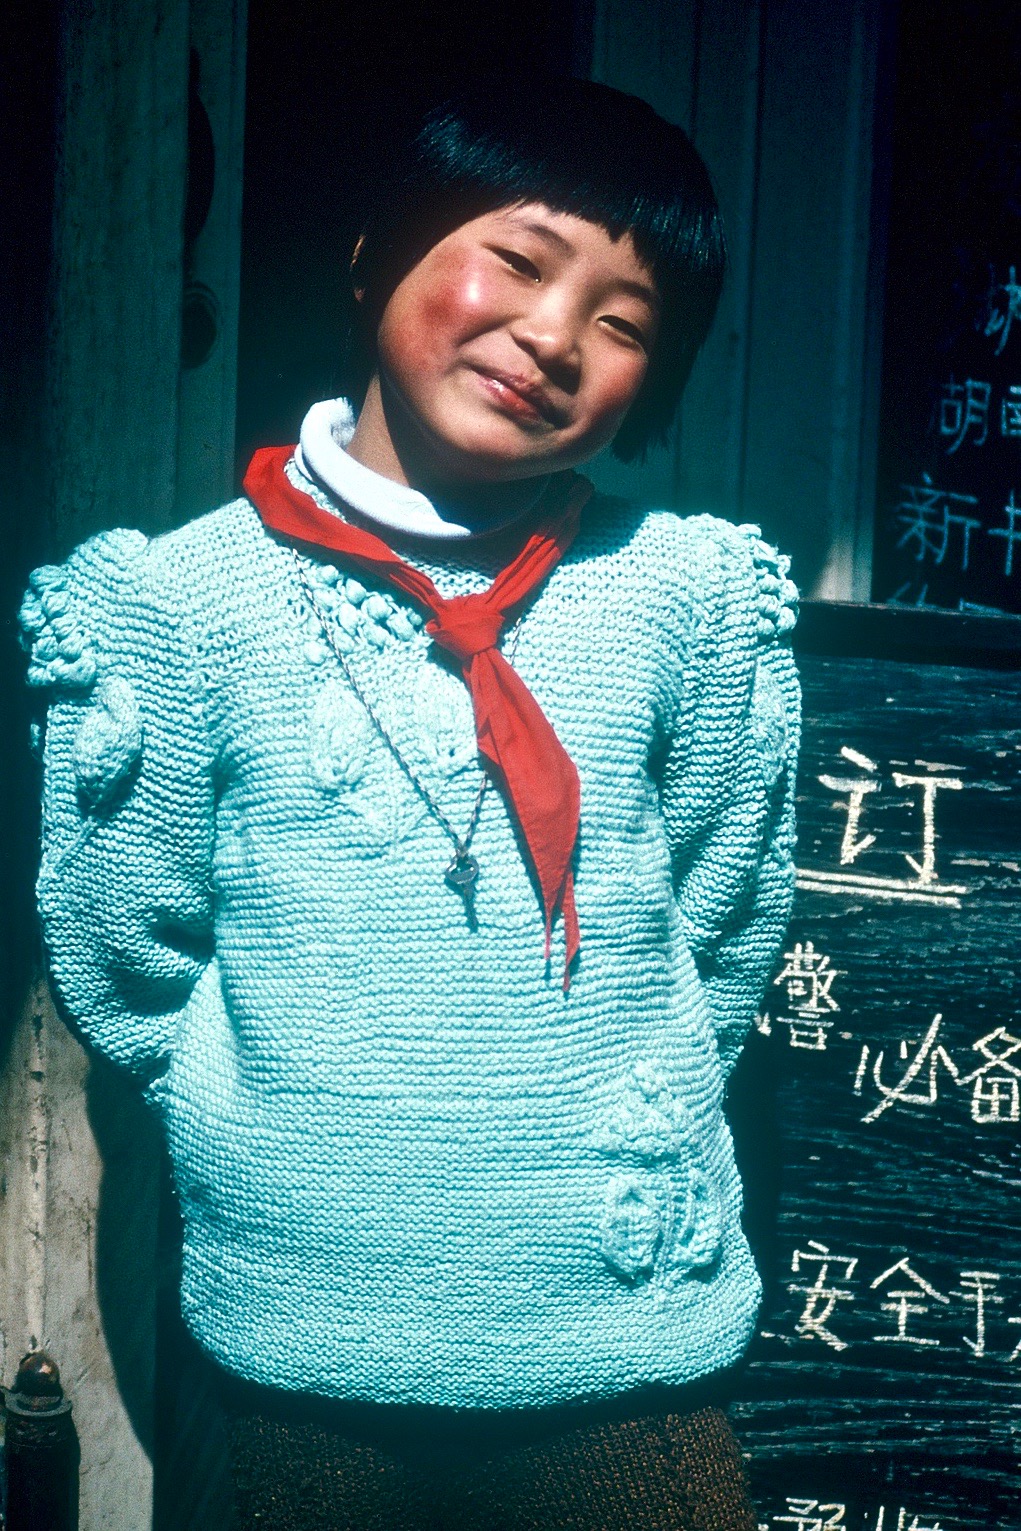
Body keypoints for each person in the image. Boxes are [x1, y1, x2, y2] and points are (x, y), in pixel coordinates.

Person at [20, 75, 800, 1531]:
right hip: (299, 1334)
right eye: (516, 257)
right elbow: (127, 948)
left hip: (623, 1337)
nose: (554, 335)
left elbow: (725, 907)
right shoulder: (182, 604)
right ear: (378, 249)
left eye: (626, 321)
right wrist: (279, 1119)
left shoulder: (681, 597)